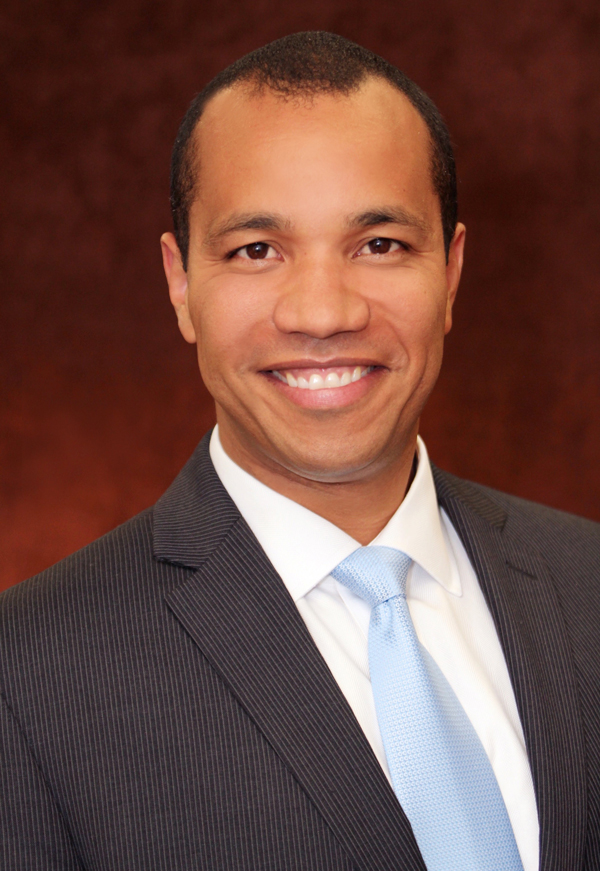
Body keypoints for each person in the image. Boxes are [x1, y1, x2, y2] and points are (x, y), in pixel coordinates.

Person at [1, 31, 599, 871]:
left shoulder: (587, 583)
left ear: (452, 271)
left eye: (380, 244)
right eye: (257, 251)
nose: (323, 313)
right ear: (181, 284)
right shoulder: (27, 676)